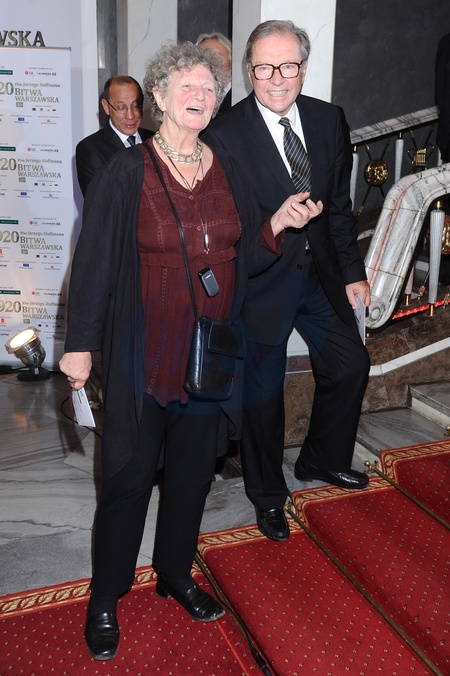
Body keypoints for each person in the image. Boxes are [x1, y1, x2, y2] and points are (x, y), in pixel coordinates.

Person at [59, 41, 321, 662]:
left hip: (210, 354)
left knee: (192, 476)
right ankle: (106, 595)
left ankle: (175, 573)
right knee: (127, 479)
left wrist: (276, 225)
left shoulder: (226, 164)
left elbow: (242, 252)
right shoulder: (127, 172)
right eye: (188, 86)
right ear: (159, 96)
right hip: (141, 356)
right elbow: (93, 262)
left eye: (210, 88)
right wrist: (80, 346)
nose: (200, 96)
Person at [203, 20, 371, 543]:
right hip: (260, 283)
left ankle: (322, 458)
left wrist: (353, 272)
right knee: (262, 397)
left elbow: (339, 207)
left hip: (318, 277)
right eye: (263, 68)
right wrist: (274, 223)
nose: (276, 78)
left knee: (350, 364)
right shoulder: (223, 135)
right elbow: (222, 231)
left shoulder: (327, 119)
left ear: (303, 67)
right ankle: (268, 496)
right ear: (248, 71)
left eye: (288, 66)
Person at [75, 75, 153, 196]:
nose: (130, 115)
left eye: (135, 105)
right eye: (121, 108)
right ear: (106, 107)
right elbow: (99, 202)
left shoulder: (156, 139)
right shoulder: (90, 149)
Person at [197, 32, 232, 115]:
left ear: (231, 64)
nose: (211, 61)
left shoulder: (236, 99)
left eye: (217, 56)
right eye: (204, 56)